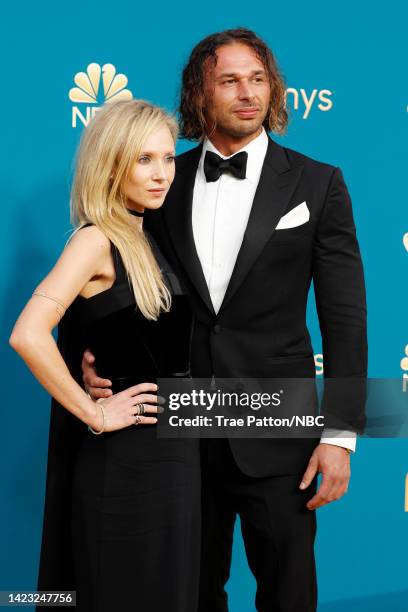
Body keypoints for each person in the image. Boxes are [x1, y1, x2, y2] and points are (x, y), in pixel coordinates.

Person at [83, 28, 367, 612]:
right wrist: (91, 361)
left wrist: (340, 436)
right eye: (229, 80)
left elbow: (346, 320)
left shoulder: (318, 183)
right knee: (187, 591)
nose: (248, 93)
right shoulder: (162, 179)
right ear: (199, 96)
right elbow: (121, 282)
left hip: (279, 430)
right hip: (179, 432)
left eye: (258, 79)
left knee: (289, 593)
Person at [9, 100, 201, 612]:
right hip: (127, 468)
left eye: (168, 158)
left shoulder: (149, 237)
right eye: (144, 160)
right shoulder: (95, 240)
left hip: (173, 463)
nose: (162, 174)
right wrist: (94, 410)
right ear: (111, 163)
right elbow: (28, 333)